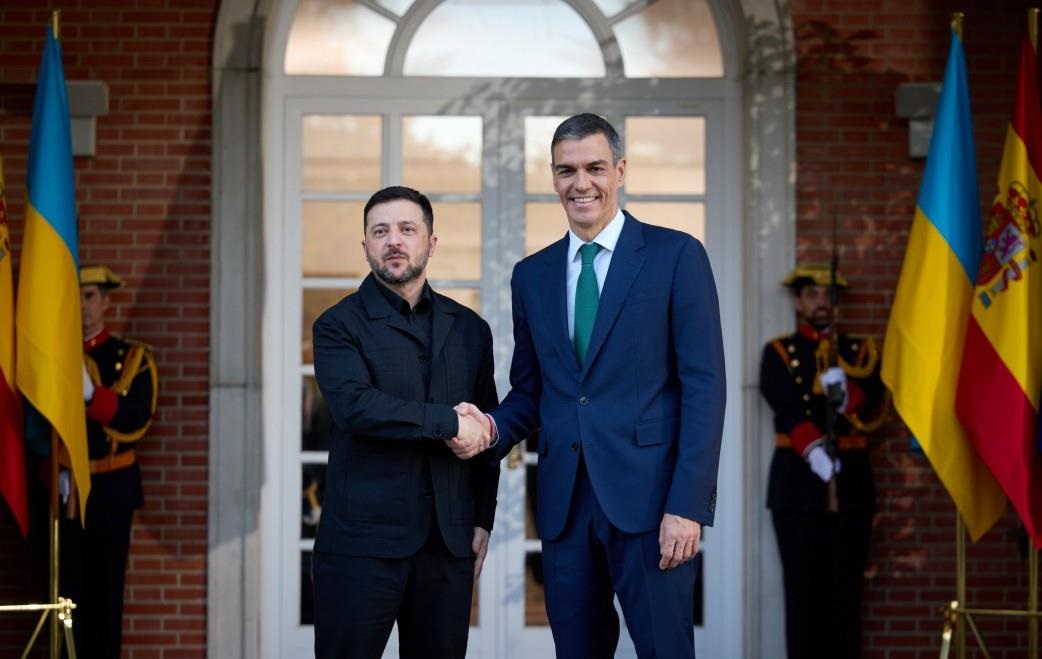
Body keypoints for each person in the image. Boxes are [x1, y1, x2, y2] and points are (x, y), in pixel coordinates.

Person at [458, 113, 726, 658]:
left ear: (620, 171)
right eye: (567, 171)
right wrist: (489, 427)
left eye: (595, 168)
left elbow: (705, 387)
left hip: (653, 505)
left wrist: (688, 505)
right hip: (565, 507)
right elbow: (532, 391)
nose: (581, 183)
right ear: (554, 178)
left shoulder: (677, 256)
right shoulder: (531, 275)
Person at [310, 185, 499, 659]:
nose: (394, 240)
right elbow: (357, 407)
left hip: (447, 546)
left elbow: (487, 429)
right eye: (380, 232)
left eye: (407, 229)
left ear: (430, 243)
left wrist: (483, 518)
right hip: (361, 547)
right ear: (366, 246)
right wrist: (449, 423)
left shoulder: (471, 329)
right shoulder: (337, 325)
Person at [759, 263, 888, 659]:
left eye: (829, 295)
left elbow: (876, 405)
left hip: (851, 486)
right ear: (798, 302)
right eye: (812, 295)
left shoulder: (861, 353)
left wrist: (849, 395)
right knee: (802, 595)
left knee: (846, 594)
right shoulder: (780, 352)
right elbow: (784, 405)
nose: (821, 302)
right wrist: (814, 449)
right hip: (797, 485)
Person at [61, 264, 158, 658]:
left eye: (89, 296)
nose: (83, 306)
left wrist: (92, 396)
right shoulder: (53, 358)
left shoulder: (131, 357)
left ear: (105, 301)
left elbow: (137, 417)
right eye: (76, 297)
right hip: (63, 489)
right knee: (63, 593)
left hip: (111, 488)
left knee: (105, 594)